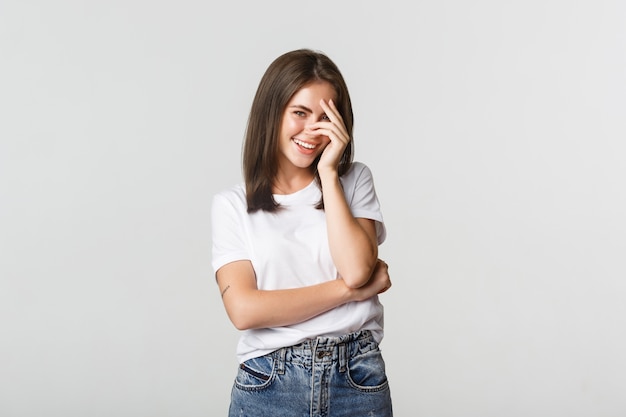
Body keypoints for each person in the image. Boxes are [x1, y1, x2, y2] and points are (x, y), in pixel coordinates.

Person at [211, 48, 393, 417]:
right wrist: (347, 291)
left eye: (326, 117)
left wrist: (328, 175)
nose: (313, 129)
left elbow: (358, 269)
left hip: (356, 377)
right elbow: (244, 310)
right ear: (272, 112)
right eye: (300, 113)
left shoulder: (353, 181)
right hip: (269, 382)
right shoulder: (232, 205)